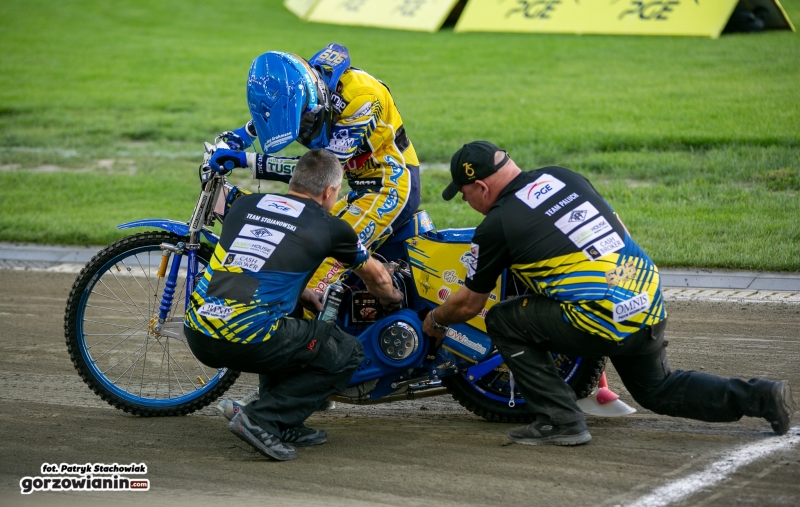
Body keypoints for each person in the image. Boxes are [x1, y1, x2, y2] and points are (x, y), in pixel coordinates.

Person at [422, 140, 795, 446]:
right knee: (657, 390)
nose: (467, 203)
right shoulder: (561, 176)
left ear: (482, 187)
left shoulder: (498, 223)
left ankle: (561, 420)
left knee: (503, 318)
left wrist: (436, 320)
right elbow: (620, 228)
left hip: (599, 314)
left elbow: (471, 303)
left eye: (465, 195)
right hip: (644, 294)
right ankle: (762, 396)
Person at [184, 150, 403, 461]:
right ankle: (262, 417)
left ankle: (284, 423)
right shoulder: (331, 226)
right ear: (329, 191)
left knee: (291, 317)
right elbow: (378, 278)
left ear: (293, 180)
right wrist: (392, 299)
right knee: (346, 352)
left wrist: (300, 294)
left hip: (197, 332)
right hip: (245, 339)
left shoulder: (244, 205)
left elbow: (254, 265)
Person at [208, 43, 421, 297]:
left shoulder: (363, 99)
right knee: (306, 251)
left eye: (306, 122)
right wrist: (236, 138)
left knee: (323, 269)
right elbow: (275, 115)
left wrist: (248, 161)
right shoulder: (306, 87)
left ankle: (311, 335)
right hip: (360, 187)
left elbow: (317, 172)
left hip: (389, 187)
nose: (303, 130)